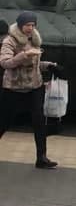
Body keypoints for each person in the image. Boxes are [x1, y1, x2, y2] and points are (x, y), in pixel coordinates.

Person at [0, 12, 59, 169]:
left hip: (35, 86)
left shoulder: (35, 39)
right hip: (14, 87)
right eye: (27, 25)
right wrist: (24, 55)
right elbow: (5, 63)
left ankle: (42, 157)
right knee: (4, 121)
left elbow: (35, 64)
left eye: (33, 25)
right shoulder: (10, 40)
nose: (30, 28)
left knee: (39, 121)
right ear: (20, 25)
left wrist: (49, 65)